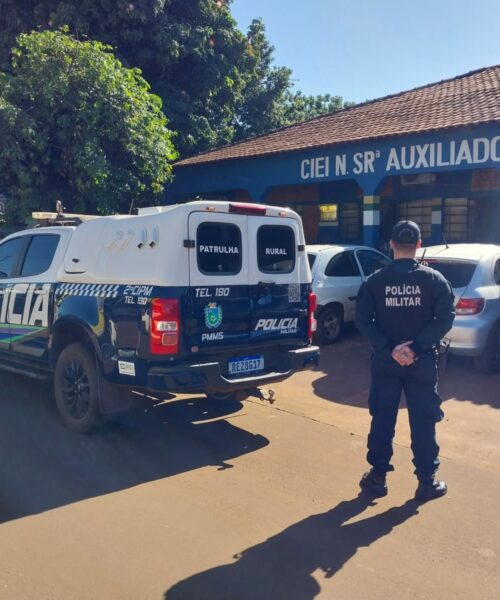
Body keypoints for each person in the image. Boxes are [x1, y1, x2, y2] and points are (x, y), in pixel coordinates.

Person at [355, 220, 455, 502]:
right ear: (419, 245)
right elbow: (445, 318)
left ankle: (377, 477)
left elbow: (363, 321)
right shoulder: (434, 280)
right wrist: (417, 348)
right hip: (421, 362)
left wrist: (390, 349)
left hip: (386, 362)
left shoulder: (375, 280)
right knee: (423, 420)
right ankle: (426, 482)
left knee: (383, 418)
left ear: (391, 245)